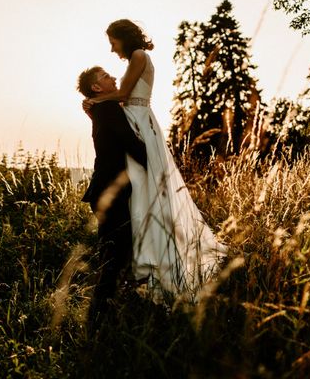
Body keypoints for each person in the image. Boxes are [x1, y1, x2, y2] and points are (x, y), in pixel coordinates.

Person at [83, 19, 227, 302]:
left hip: (140, 124)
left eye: (113, 42)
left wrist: (94, 101)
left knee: (144, 192)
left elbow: (123, 95)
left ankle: (155, 263)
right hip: (135, 121)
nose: (112, 50)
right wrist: (95, 107)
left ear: (123, 38)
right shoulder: (134, 60)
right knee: (141, 194)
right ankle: (142, 262)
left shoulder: (139, 56)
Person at [77, 66, 148, 331]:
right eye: (106, 77)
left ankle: (109, 313)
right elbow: (130, 142)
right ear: (96, 87)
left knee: (116, 252)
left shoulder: (102, 108)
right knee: (113, 255)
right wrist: (160, 165)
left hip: (110, 191)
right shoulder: (107, 110)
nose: (113, 78)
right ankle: (98, 320)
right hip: (109, 193)